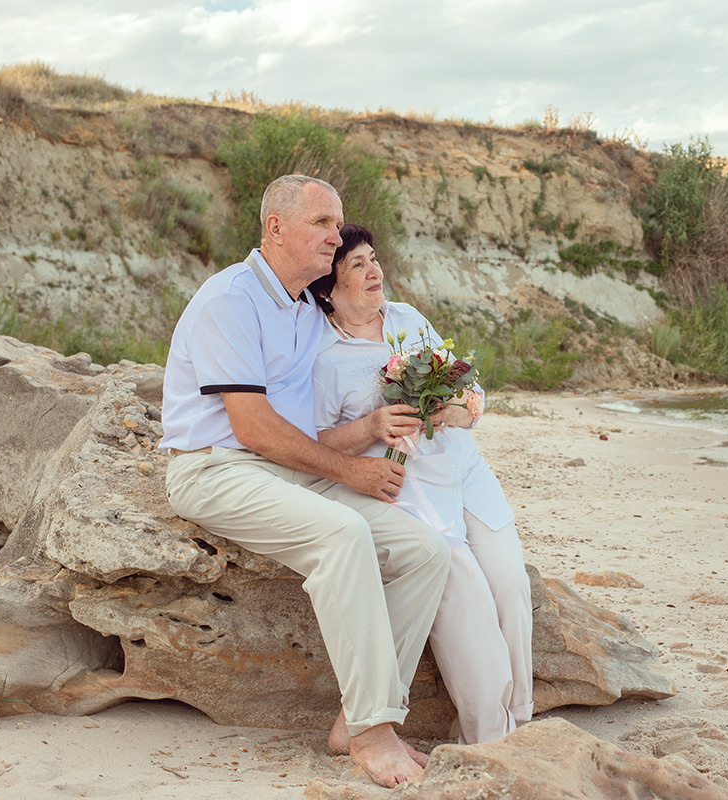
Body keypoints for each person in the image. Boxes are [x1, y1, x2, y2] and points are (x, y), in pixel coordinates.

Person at [159, 175, 450, 788]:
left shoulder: (301, 306)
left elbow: (358, 334)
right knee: (343, 534)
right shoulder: (228, 300)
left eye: (338, 222)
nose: (335, 235)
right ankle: (375, 734)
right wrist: (352, 471)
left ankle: (358, 714)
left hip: (280, 469)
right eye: (322, 222)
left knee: (425, 550)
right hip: (214, 467)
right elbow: (256, 427)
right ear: (275, 228)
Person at [309, 224, 533, 745]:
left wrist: (453, 411)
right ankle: (488, 740)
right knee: (471, 606)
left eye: (374, 258)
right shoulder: (323, 357)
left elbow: (471, 393)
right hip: (410, 495)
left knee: (511, 585)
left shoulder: (407, 319)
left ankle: (521, 722)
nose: (374, 271)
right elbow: (314, 443)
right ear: (329, 288)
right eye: (357, 265)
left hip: (466, 474)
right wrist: (372, 426)